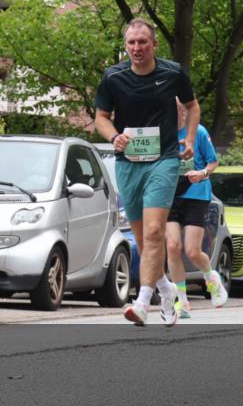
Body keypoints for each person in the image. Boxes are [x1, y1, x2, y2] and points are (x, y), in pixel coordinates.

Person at [95, 18, 200, 327]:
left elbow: (193, 107)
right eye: (131, 43)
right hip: (129, 163)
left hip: (163, 160)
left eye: (142, 42)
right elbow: (101, 117)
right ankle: (167, 291)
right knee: (143, 239)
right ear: (126, 46)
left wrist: (190, 139)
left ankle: (141, 302)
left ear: (154, 45)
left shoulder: (172, 73)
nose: (137, 48)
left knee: (155, 232)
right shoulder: (113, 77)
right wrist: (114, 137)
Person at [165, 98, 226, 319]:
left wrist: (203, 173)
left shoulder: (198, 132)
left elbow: (213, 162)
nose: (175, 113)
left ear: (185, 111)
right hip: (169, 195)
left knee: (191, 250)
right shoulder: (162, 134)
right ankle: (182, 301)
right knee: (172, 247)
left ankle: (212, 278)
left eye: (179, 109)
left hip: (196, 194)